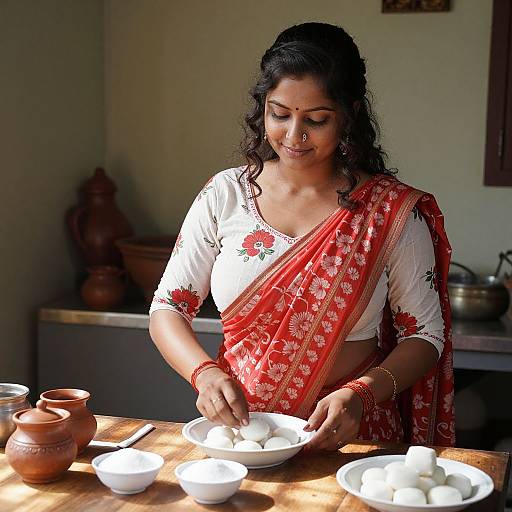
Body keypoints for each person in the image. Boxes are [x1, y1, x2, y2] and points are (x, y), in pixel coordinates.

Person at [149, 22, 455, 451]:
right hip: (243, 437)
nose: (293, 137)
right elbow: (168, 307)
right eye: (279, 114)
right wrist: (206, 374)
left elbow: (425, 335)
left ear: (349, 115)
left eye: (316, 119)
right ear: (263, 109)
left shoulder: (390, 212)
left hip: (348, 436)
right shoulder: (225, 194)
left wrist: (362, 395)